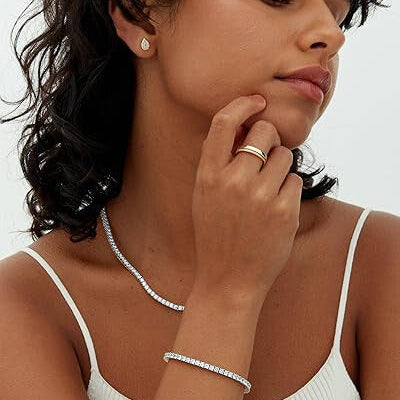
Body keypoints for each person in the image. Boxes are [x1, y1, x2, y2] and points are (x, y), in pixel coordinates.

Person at [0, 0, 398, 399]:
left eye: (337, 15)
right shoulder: (24, 305)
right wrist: (227, 294)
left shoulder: (382, 262)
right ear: (140, 16)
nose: (332, 35)